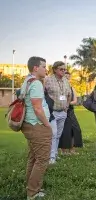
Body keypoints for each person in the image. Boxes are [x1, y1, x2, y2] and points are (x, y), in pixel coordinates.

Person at [21, 57, 51, 199]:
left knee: (33, 158)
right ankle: (32, 192)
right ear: (35, 68)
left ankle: (32, 187)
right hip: (37, 125)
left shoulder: (27, 81)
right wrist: (47, 124)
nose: (46, 69)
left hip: (29, 124)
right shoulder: (36, 83)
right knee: (42, 160)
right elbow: (38, 108)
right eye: (44, 67)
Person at [44, 61, 71, 164]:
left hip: (63, 112)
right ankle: (51, 157)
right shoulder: (48, 80)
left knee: (58, 134)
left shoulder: (66, 81)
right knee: (53, 134)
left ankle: (55, 154)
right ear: (55, 69)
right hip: (52, 112)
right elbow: (42, 94)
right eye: (61, 69)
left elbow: (69, 94)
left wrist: (67, 106)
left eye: (64, 69)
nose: (63, 71)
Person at [58, 71, 83, 155]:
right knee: (64, 131)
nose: (67, 78)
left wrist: (68, 103)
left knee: (76, 130)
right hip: (62, 111)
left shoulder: (72, 88)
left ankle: (72, 149)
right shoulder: (59, 88)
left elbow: (75, 101)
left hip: (70, 111)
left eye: (68, 77)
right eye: (66, 77)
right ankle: (63, 150)